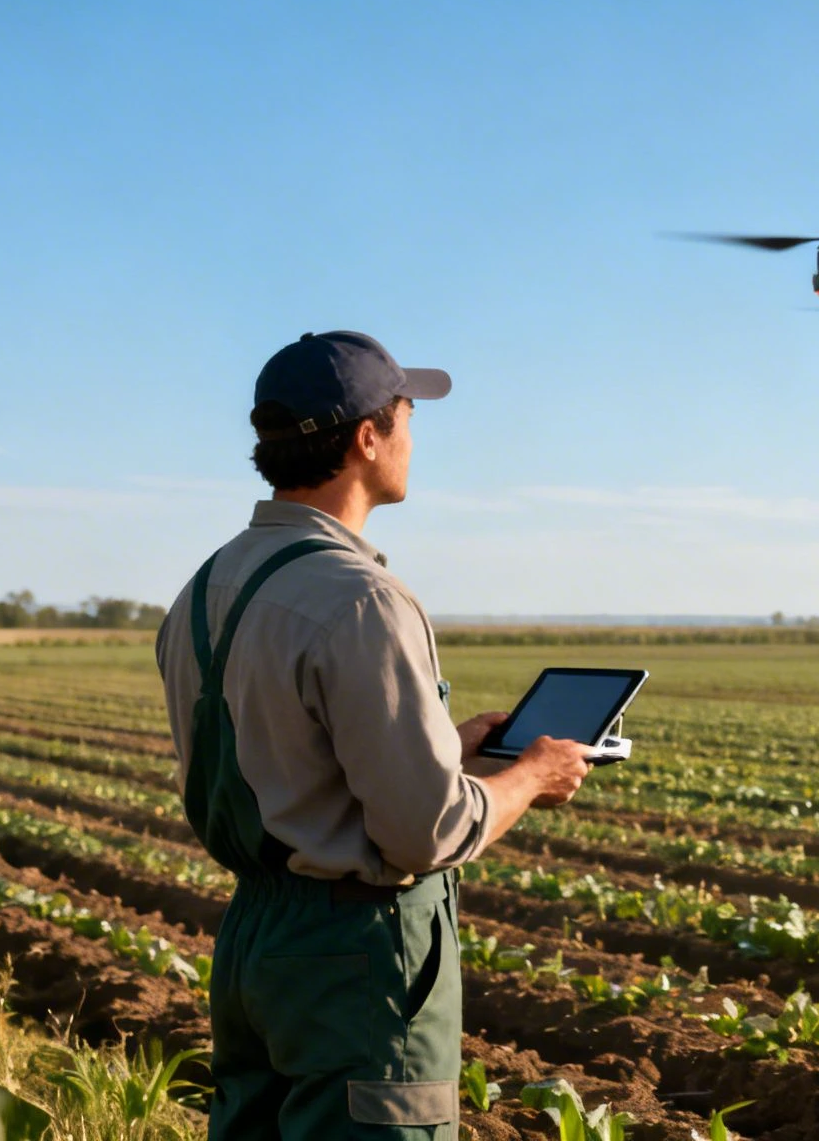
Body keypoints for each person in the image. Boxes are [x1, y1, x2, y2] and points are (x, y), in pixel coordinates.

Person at [155, 331, 592, 1139]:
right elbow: (425, 832)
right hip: (357, 957)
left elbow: (291, 756)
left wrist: (444, 746)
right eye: (407, 417)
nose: (414, 440)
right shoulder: (363, 598)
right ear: (367, 437)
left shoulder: (205, 589)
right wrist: (529, 774)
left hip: (256, 938)